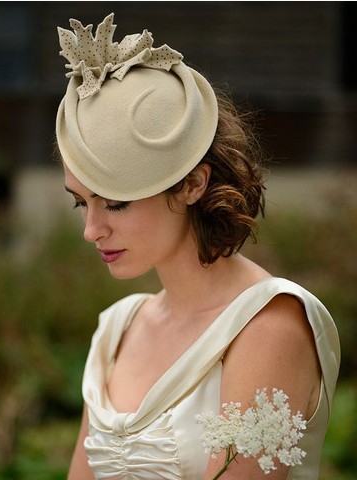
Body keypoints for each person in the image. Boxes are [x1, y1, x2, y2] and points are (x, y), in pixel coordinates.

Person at [55, 13, 340, 480]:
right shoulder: (116, 330)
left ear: (191, 184)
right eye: (80, 204)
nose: (92, 229)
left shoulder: (270, 325)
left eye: (115, 203)